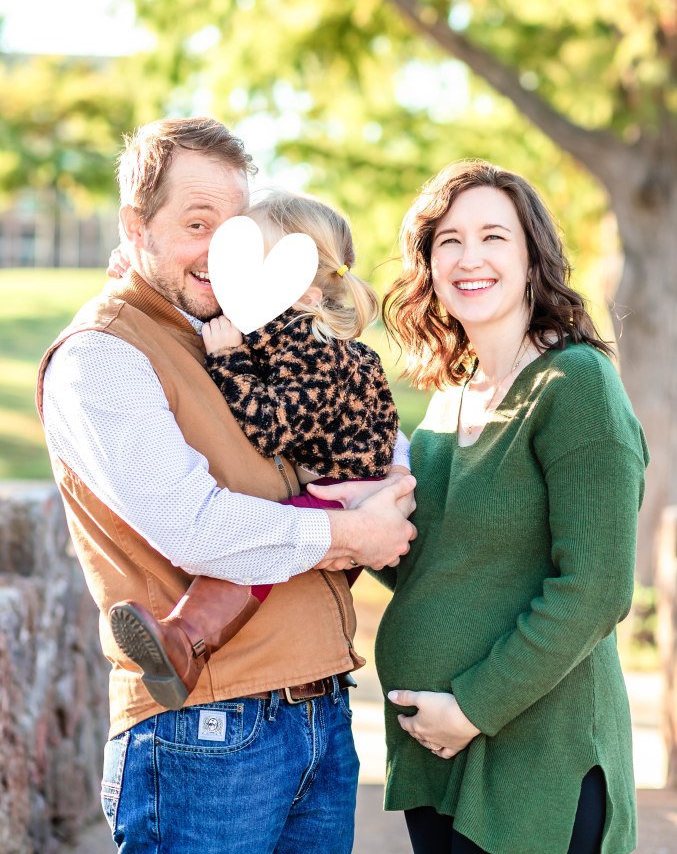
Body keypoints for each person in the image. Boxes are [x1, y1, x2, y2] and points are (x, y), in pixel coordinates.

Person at [37, 116, 416, 854]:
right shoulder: (103, 355)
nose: (220, 250)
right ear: (136, 227)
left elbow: (352, 422)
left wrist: (386, 478)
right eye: (196, 223)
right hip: (204, 734)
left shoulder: (241, 330)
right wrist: (353, 531)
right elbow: (196, 527)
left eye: (236, 228)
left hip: (317, 717)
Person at [374, 159, 648, 854]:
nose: (469, 258)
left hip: (535, 754)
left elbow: (596, 588)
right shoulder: (449, 400)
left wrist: (472, 708)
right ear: (429, 267)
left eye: (493, 236)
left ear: (531, 258)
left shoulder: (575, 384)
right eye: (449, 241)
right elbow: (435, 565)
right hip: (437, 753)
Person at [107, 189, 400, 710]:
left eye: (250, 267)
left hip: (348, 491)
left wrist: (228, 359)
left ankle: (185, 639)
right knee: (262, 552)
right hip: (345, 483)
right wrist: (138, 270)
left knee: (256, 551)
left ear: (303, 291)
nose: (227, 275)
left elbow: (270, 427)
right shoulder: (285, 332)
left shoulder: (315, 351)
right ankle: (183, 645)